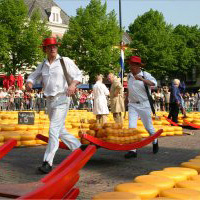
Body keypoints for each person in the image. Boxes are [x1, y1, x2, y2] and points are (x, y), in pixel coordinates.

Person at [26, 37, 82, 174]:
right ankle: (79, 148)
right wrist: (29, 83)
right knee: (59, 129)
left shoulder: (65, 61)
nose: (52, 48)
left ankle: (47, 162)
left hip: (63, 97)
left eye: (55, 46)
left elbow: (79, 75)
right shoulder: (43, 64)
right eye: (49, 47)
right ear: (45, 49)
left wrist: (73, 85)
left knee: (53, 130)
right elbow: (33, 76)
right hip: (50, 100)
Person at [124, 56, 158, 159]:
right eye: (130, 64)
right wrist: (126, 99)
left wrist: (142, 79)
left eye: (133, 65)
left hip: (144, 104)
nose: (131, 67)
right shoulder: (129, 76)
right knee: (131, 127)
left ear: (138, 66)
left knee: (148, 127)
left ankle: (155, 141)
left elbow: (154, 84)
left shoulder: (145, 74)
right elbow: (130, 89)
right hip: (132, 105)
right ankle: (132, 150)